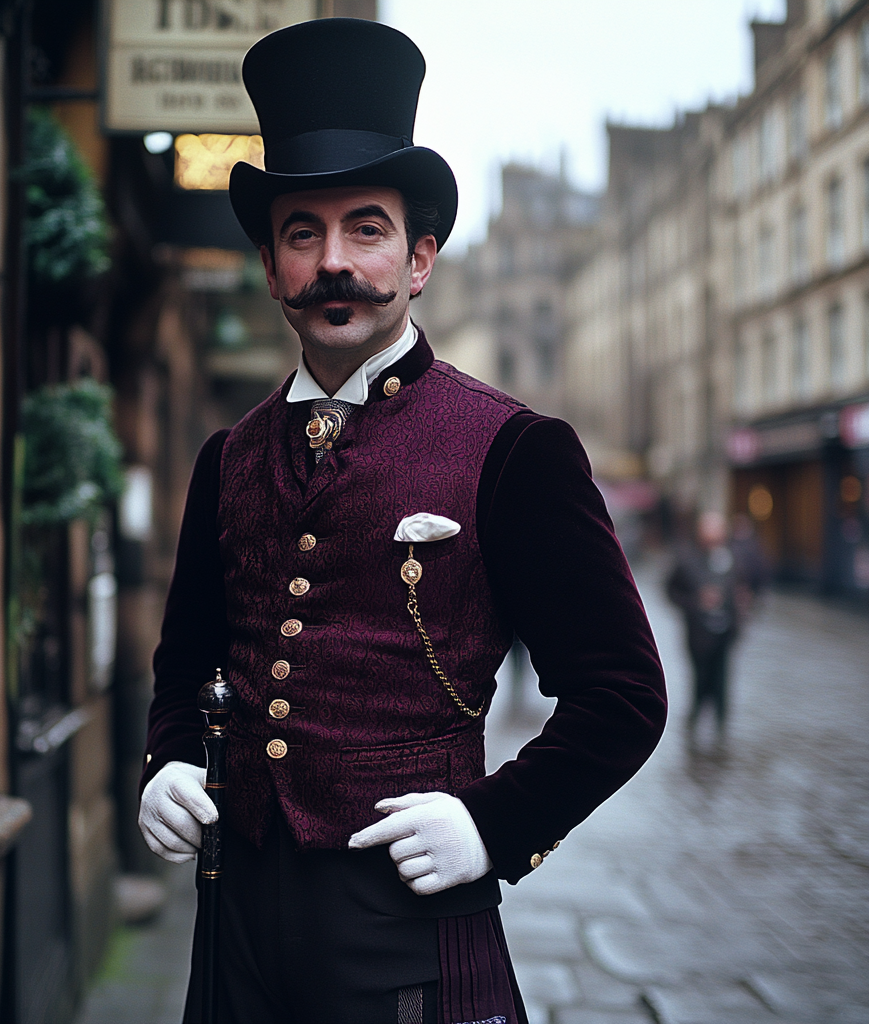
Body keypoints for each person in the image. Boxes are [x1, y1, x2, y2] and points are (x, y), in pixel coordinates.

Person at [138, 19, 666, 1024]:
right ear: (270, 263)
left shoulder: (515, 447)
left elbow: (623, 695)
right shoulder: (228, 456)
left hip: (408, 928)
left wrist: (496, 825)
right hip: (235, 925)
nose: (334, 261)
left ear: (418, 259)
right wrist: (166, 757)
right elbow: (186, 665)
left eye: (365, 230)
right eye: (304, 232)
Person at [666, 510, 744, 746]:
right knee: (700, 680)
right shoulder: (686, 558)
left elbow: (747, 586)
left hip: (726, 632)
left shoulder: (732, 557)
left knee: (722, 681)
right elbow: (671, 591)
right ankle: (694, 724)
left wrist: (742, 608)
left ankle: (721, 730)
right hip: (698, 634)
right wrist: (695, 602)